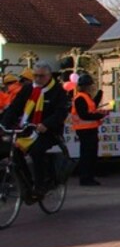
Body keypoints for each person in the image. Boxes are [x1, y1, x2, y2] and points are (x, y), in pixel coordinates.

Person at [1, 61, 70, 198]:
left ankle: (40, 185)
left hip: (49, 132)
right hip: (27, 130)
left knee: (36, 151)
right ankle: (26, 182)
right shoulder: (27, 89)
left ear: (49, 76)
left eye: (41, 76)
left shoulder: (58, 91)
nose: (38, 79)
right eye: (35, 75)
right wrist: (3, 125)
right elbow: (14, 108)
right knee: (14, 151)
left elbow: (61, 112)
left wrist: (46, 124)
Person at [71, 73, 108, 186]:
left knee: (91, 154)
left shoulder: (85, 97)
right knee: (87, 155)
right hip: (85, 130)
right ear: (86, 86)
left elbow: (92, 106)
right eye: (90, 85)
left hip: (90, 129)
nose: (91, 87)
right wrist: (100, 116)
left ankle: (89, 177)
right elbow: (84, 115)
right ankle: (85, 178)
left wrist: (99, 95)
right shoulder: (80, 98)